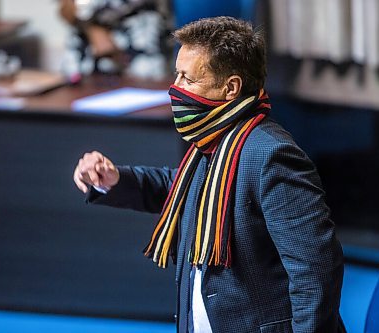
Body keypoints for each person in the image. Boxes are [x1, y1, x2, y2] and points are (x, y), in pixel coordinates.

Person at [73, 16, 345, 333]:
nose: (175, 89)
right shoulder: (213, 140)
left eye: (188, 79)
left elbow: (315, 270)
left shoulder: (271, 155)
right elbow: (179, 190)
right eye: (177, 74)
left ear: (230, 88)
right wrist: (114, 179)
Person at [58, 0, 173, 80]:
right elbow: (66, 9)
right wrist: (92, 29)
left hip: (140, 43)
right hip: (86, 49)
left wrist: (86, 17)